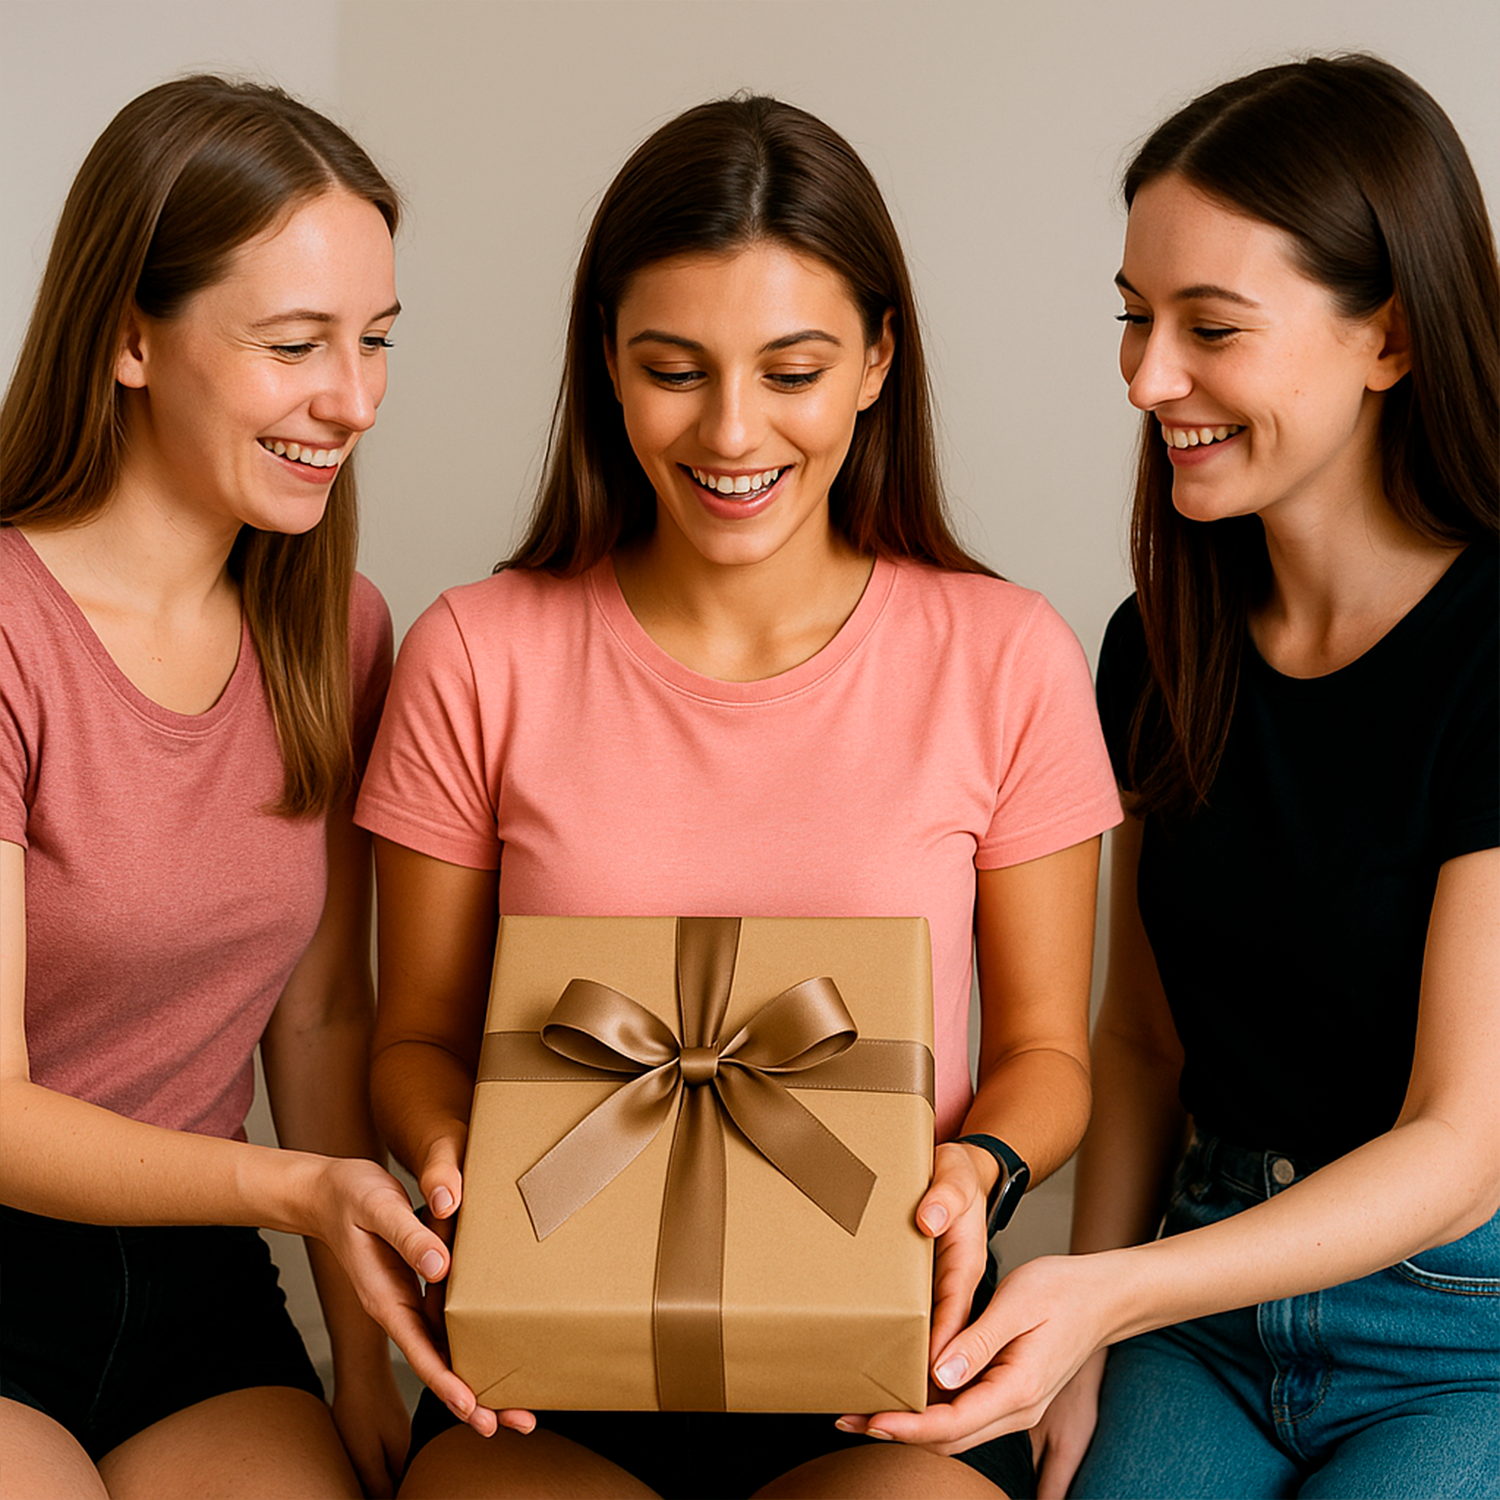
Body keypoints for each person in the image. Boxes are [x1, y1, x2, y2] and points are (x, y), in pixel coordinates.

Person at [356, 95, 1122, 1500]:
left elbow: (1045, 1057)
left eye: (793, 369)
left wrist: (980, 1172)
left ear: (879, 360)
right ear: (605, 364)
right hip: (546, 1363)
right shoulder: (475, 653)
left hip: (891, 1344)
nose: (730, 429)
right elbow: (411, 1039)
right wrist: (457, 1160)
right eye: (673, 368)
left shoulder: (1006, 655)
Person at [922, 55, 1498, 1500]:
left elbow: (1460, 1144)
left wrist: (1102, 1298)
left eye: (1210, 329)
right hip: (1198, 1301)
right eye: (1136, 317)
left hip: (1460, 1324)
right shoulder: (1151, 642)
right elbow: (1139, 1051)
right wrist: (1099, 1326)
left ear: (1391, 339)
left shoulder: (1496, 649)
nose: (1145, 376)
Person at [0, 75, 485, 1500]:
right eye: (295, 345)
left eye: (377, 342)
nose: (353, 401)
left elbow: (324, 1010)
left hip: (199, 1291)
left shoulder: (339, 633)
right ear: (131, 336)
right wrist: (299, 1197)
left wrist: (360, 1350)